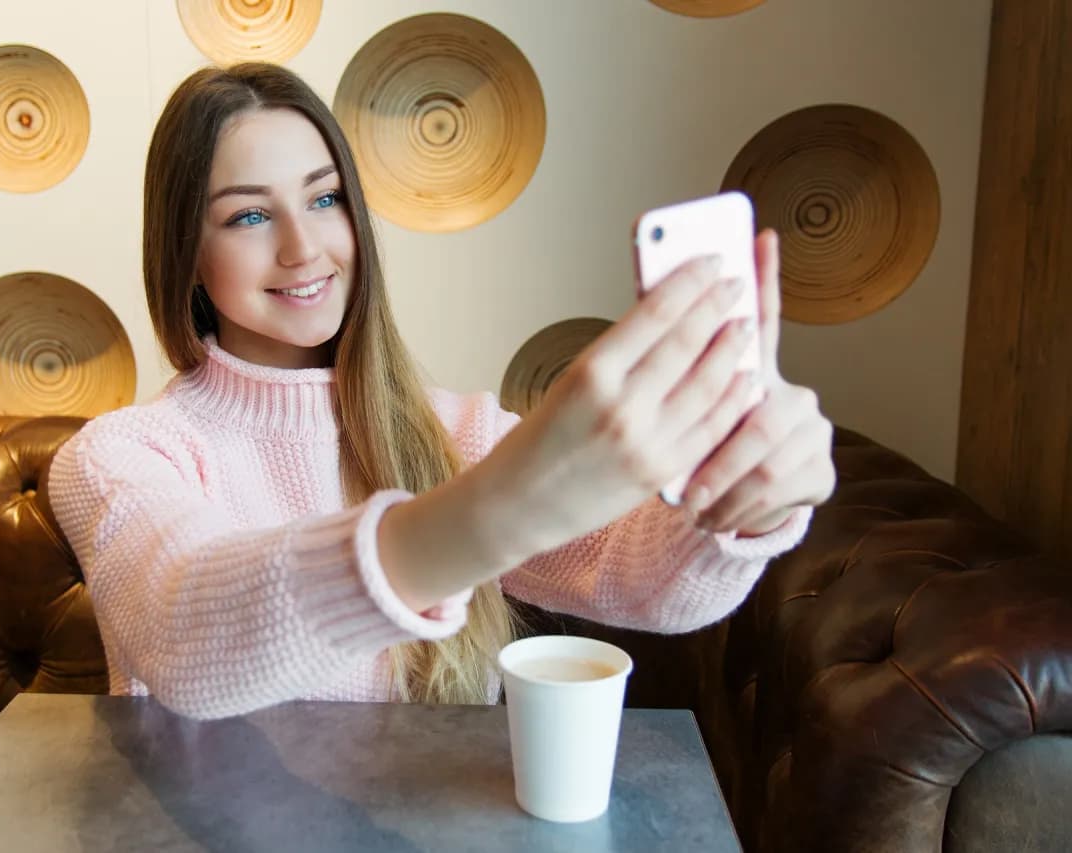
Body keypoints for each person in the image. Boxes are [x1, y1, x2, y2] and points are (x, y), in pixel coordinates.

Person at [47, 62, 836, 721]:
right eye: (250, 216)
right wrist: (499, 511)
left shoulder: (456, 432)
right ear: (184, 252)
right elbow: (186, 631)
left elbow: (649, 583)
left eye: (325, 198)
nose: (303, 247)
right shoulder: (118, 457)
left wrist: (743, 501)